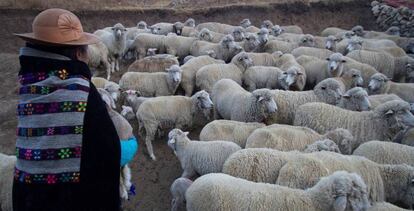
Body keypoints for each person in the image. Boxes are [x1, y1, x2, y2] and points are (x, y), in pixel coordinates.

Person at [13, 8, 121, 211]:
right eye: (85, 49)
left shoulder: (28, 89)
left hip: (28, 198)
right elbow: (107, 150)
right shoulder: (81, 91)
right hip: (73, 200)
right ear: (79, 53)